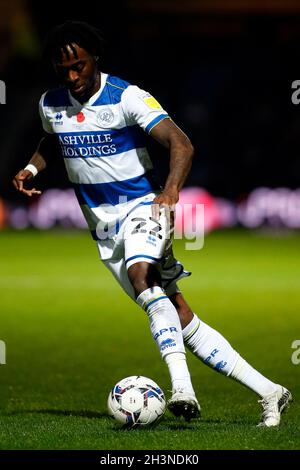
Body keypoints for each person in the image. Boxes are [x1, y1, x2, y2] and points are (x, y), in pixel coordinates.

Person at [13, 20, 292, 426]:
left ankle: (183, 389)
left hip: (145, 208)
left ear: (96, 60)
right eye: (64, 69)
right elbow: (52, 140)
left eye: (81, 66)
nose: (73, 76)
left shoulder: (126, 96)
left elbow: (181, 143)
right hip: (105, 231)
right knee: (178, 314)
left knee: (141, 274)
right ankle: (271, 392)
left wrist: (171, 191)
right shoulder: (50, 104)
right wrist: (31, 169)